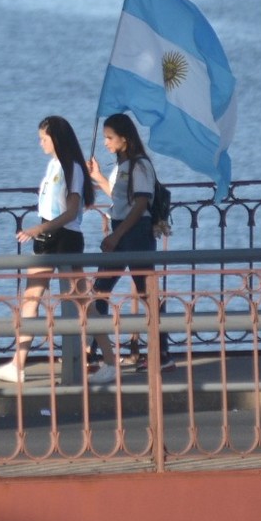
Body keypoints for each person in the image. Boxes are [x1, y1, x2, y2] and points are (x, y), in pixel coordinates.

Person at [0, 116, 94, 384]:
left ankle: (105, 358)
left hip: (61, 237)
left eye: (43, 138)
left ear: (56, 138)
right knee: (39, 299)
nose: (40, 143)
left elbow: (70, 212)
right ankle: (18, 363)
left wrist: (39, 229)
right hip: (51, 235)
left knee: (80, 301)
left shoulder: (72, 169)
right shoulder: (54, 165)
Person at [86, 113, 168, 382]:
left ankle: (162, 353)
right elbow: (121, 198)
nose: (106, 143)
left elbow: (140, 204)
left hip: (135, 233)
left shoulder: (139, 165)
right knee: (100, 290)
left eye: (110, 138)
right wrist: (98, 176)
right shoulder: (122, 165)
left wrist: (116, 234)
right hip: (122, 231)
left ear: (125, 138)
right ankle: (95, 350)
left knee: (146, 291)